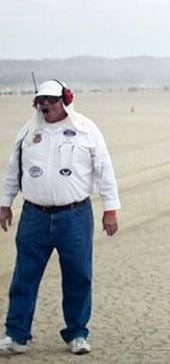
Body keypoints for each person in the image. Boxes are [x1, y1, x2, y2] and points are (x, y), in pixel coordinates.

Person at [0, 80, 120, 355]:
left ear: (65, 100)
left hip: (74, 217)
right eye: (40, 100)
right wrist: (5, 203)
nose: (45, 105)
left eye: (51, 100)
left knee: (78, 276)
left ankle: (77, 333)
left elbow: (104, 170)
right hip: (34, 218)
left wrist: (110, 209)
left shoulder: (86, 130)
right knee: (24, 277)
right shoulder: (28, 132)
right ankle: (16, 336)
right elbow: (12, 170)